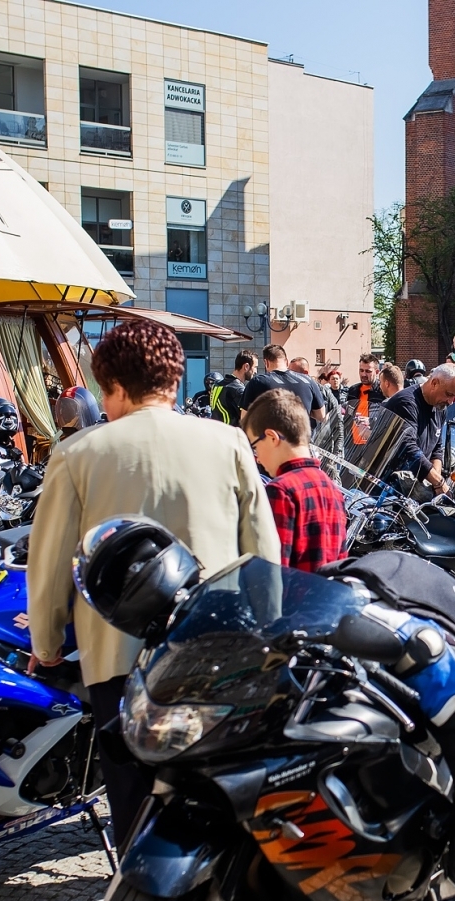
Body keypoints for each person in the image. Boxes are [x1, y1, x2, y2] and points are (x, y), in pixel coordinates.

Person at [28, 320, 280, 845]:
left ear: (115, 386)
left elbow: (49, 562)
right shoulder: (230, 441)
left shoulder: (77, 454)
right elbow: (262, 548)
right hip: (216, 645)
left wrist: (46, 646)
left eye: (104, 392)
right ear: (173, 381)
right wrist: (266, 631)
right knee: (214, 786)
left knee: (134, 798)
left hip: (118, 655)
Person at [244, 389, 346, 573]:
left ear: (272, 437)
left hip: (293, 598)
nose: (257, 457)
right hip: (326, 598)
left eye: (255, 447)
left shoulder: (281, 491)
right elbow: (341, 565)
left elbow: (274, 571)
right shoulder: (333, 489)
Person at [380, 362, 455, 496]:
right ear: (434, 383)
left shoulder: (440, 407)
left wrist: (435, 484)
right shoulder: (406, 403)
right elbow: (407, 449)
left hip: (414, 486)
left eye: (454, 397)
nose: (450, 402)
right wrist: (438, 482)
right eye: (449, 394)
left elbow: (436, 448)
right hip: (388, 488)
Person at [241, 344, 327, 428]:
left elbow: (244, 419)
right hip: (301, 439)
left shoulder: (257, 382)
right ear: (287, 361)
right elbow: (321, 416)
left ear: (266, 362)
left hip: (271, 439)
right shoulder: (308, 381)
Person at [190, 350, 256, 424]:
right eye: (255, 367)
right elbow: (248, 419)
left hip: (217, 430)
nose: (255, 371)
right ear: (246, 366)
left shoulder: (217, 385)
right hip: (231, 433)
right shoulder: (238, 390)